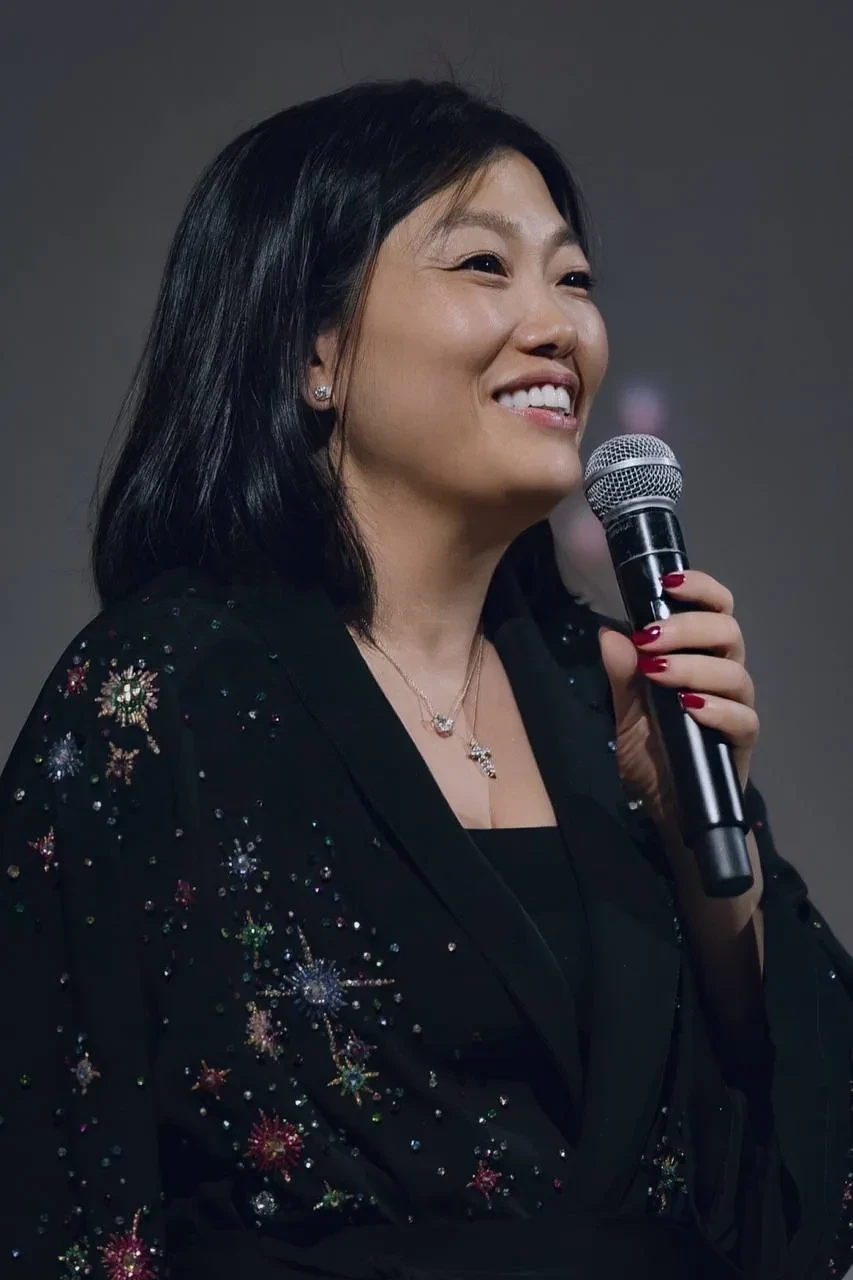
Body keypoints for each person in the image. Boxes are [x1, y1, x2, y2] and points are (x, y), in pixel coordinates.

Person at [0, 78, 850, 1280]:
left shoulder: (610, 690)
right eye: (483, 265)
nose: (558, 326)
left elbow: (797, 1145)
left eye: (573, 278)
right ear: (315, 351)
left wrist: (704, 855)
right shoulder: (159, 697)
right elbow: (52, 1166)